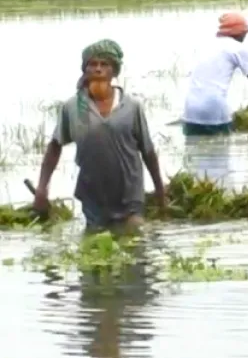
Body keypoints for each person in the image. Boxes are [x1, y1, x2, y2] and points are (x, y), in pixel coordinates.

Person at [33, 39, 165, 235]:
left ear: (114, 71)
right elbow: (55, 147)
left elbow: (148, 151)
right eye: (92, 64)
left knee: (135, 240)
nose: (98, 69)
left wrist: (160, 190)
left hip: (129, 194)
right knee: (96, 247)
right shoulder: (73, 108)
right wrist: (42, 189)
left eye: (105, 64)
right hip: (93, 195)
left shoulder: (131, 107)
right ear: (85, 69)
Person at [180, 12, 248, 136]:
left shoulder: (206, 45)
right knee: (221, 148)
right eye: (245, 33)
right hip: (214, 109)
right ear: (240, 33)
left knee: (194, 151)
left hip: (190, 110)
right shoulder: (238, 48)